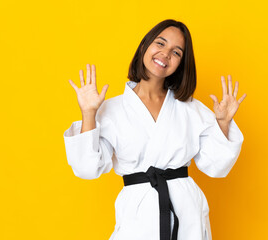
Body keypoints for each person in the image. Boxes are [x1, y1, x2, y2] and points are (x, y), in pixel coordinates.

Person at [63, 19, 246, 240]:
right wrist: (89, 113)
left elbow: (216, 166)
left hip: (186, 215)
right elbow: (87, 168)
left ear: (181, 63)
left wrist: (223, 123)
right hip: (137, 217)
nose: (166, 54)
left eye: (176, 52)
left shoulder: (190, 108)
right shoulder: (111, 109)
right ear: (144, 47)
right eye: (160, 43)